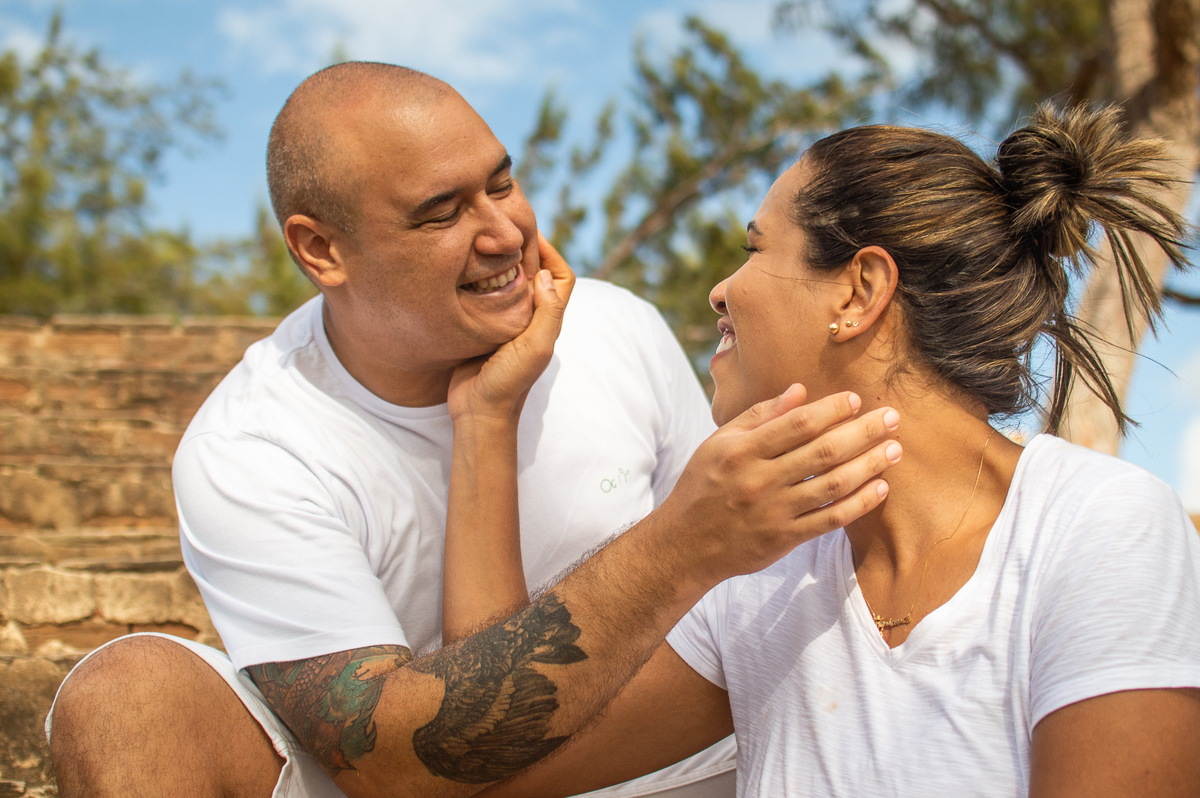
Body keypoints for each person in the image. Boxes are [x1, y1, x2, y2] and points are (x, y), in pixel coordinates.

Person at [45, 63, 900, 798]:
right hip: (420, 784)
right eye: (441, 212)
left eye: (501, 182)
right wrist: (676, 542)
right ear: (321, 251)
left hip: (675, 768)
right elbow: (391, 765)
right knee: (127, 695)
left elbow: (744, 611)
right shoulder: (253, 445)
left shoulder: (614, 328)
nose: (506, 234)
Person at [452, 104, 1200, 797]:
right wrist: (488, 421)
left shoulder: (1099, 528)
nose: (719, 290)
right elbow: (479, 760)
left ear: (858, 290)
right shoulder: (765, 577)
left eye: (753, 248)